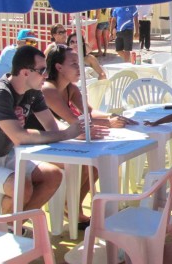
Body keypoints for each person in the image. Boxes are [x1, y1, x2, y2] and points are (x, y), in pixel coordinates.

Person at [0, 46, 108, 214]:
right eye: (42, 70)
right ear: (25, 72)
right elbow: (19, 137)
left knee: (53, 175)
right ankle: (6, 226)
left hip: (6, 155)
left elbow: (51, 127)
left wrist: (76, 133)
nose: (46, 74)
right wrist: (67, 133)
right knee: (22, 187)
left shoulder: (33, 92)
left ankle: (14, 224)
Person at [25, 45, 130, 225]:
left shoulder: (70, 88)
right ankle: (70, 207)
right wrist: (108, 124)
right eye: (74, 63)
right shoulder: (48, 89)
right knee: (83, 164)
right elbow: (73, 119)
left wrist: (112, 117)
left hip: (59, 139)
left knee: (95, 165)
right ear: (59, 67)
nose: (80, 67)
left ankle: (72, 205)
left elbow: (89, 112)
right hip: (39, 143)